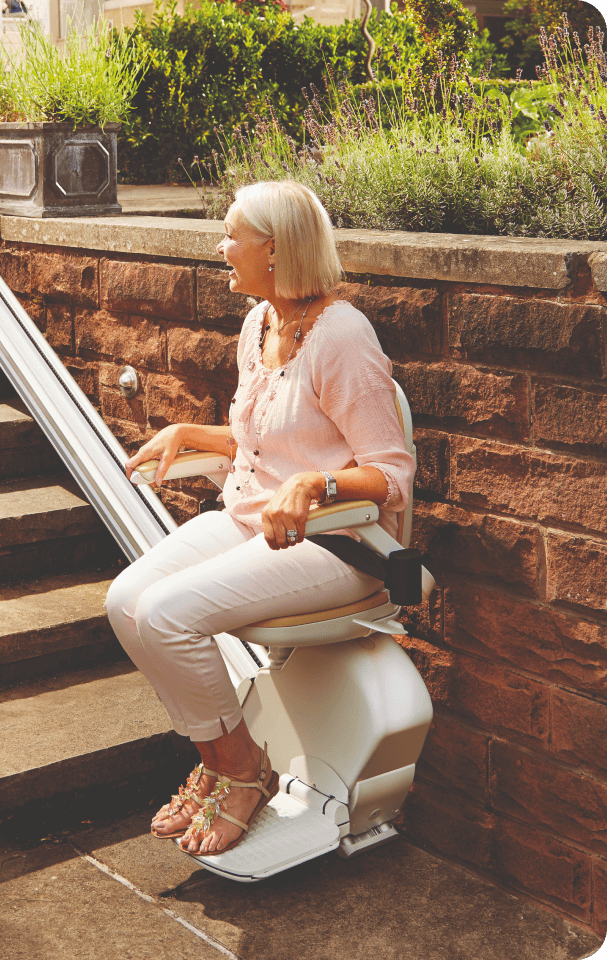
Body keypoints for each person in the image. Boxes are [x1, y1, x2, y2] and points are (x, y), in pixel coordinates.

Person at [106, 180, 415, 857]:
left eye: (231, 235)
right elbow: (267, 439)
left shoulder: (343, 338)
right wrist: (194, 431)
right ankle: (225, 760)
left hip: (340, 545)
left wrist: (313, 484)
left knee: (166, 615)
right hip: (254, 522)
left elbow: (391, 473)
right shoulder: (262, 323)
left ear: (272, 250)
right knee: (126, 600)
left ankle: (241, 773)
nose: (221, 246)